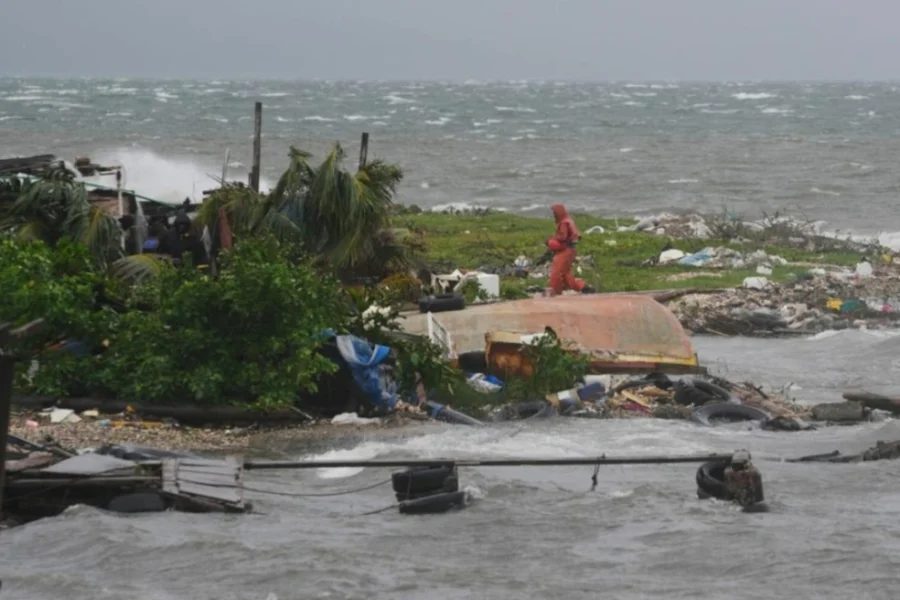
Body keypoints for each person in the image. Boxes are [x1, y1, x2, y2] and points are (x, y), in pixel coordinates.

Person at [547, 204, 594, 296]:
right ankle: (583, 287)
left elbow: (562, 237)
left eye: (554, 212)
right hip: (570, 250)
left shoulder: (564, 223)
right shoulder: (568, 220)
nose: (554, 214)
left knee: (556, 273)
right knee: (565, 274)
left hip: (564, 251)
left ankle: (557, 292)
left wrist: (550, 241)